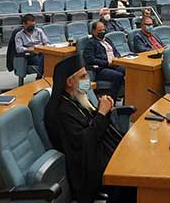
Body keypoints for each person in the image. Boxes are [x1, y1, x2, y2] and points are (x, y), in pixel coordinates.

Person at [45, 56, 136, 203]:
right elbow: (83, 142)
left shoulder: (77, 97)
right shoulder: (62, 111)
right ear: (69, 82)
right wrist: (101, 114)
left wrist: (104, 111)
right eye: (83, 76)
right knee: (129, 170)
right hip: (86, 167)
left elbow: (93, 125)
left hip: (97, 150)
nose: (87, 80)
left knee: (132, 153)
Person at [83, 22, 124, 101]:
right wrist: (107, 63)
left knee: (128, 71)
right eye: (100, 30)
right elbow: (90, 59)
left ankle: (126, 97)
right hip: (101, 69)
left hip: (114, 65)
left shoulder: (107, 40)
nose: (102, 32)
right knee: (118, 76)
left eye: (103, 30)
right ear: (94, 32)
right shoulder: (91, 43)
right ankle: (111, 99)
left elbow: (116, 52)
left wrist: (117, 58)